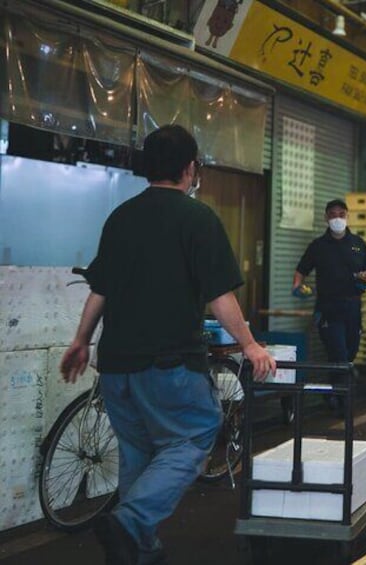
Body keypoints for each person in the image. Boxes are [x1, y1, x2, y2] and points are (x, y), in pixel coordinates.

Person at [59, 124, 275, 565]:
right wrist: (251, 345)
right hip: (169, 364)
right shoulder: (197, 218)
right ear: (189, 168)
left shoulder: (121, 217)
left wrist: (81, 340)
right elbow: (220, 296)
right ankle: (131, 521)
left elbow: (99, 289)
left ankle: (138, 551)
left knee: (138, 454)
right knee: (195, 432)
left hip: (116, 365)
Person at [293, 199, 366, 366]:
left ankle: (339, 391)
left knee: (351, 353)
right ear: (326, 218)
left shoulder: (358, 244)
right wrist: (298, 286)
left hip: (353, 309)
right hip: (328, 309)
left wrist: (363, 284)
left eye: (341, 214)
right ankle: (338, 391)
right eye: (332, 215)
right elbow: (301, 270)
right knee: (338, 355)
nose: (337, 218)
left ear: (347, 217)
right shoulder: (318, 246)